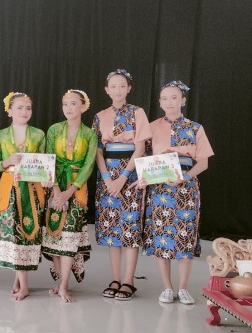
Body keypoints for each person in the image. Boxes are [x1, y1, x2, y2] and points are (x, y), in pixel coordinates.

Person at [140, 80, 214, 305]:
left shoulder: (195, 127)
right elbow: (144, 157)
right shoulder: (151, 127)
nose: (169, 102)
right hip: (160, 188)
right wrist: (146, 177)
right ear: (160, 102)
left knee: (185, 237)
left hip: (186, 189)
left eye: (174, 97)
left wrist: (185, 177)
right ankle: (167, 287)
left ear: (183, 100)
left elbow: (203, 163)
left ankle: (183, 288)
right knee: (162, 237)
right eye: (164, 98)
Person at [92, 69, 151, 300]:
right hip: (107, 176)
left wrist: (123, 177)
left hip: (131, 176)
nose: (118, 90)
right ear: (107, 90)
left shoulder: (137, 112)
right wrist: (108, 178)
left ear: (129, 89)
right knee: (112, 229)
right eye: (113, 86)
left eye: (122, 85)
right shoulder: (99, 116)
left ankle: (128, 281)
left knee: (129, 228)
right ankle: (115, 278)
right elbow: (98, 150)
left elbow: (140, 147)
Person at [42, 89, 98, 303]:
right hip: (54, 188)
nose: (68, 108)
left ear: (83, 106)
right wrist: (57, 190)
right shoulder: (54, 130)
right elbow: (49, 159)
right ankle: (60, 283)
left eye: (73, 103)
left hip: (77, 191)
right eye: (65, 104)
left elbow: (88, 165)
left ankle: (64, 285)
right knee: (54, 238)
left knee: (69, 240)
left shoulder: (90, 134)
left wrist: (69, 191)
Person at [0, 92, 46, 301]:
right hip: (10, 190)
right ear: (9, 111)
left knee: (26, 233)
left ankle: (22, 284)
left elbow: (45, 164)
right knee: (14, 236)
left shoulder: (38, 134)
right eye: (19, 108)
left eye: (28, 108)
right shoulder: (1, 135)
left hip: (31, 190)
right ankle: (21, 283)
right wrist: (6, 162)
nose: (24, 112)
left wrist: (46, 177)